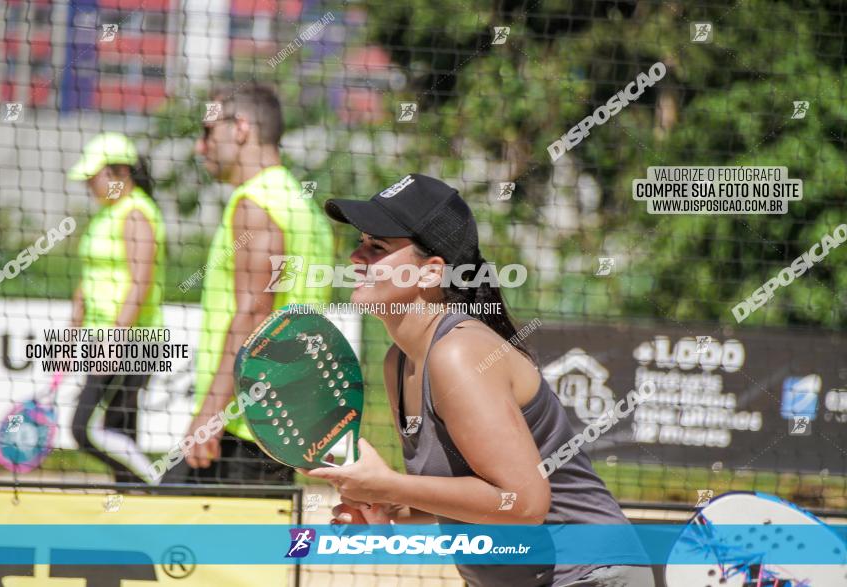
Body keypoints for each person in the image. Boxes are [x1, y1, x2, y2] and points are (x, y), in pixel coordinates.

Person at [306, 174, 653, 586]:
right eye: (361, 242)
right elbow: (471, 499)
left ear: (430, 273)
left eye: (376, 247)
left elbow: (524, 504)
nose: (355, 257)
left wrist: (393, 486)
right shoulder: (398, 362)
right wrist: (391, 507)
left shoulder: (460, 354)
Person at [163, 83, 334, 484]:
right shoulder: (301, 205)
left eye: (207, 132)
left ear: (240, 128)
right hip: (280, 419)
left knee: (165, 527)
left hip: (242, 424)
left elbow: (256, 311)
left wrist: (210, 416)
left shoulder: (255, 203)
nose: (198, 147)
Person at [68, 132, 165, 484]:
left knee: (83, 428)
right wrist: (78, 306)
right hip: (104, 334)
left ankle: (153, 483)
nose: (89, 186)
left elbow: (140, 280)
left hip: (131, 338)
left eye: (93, 177)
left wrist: (116, 335)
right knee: (118, 427)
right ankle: (133, 497)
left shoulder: (136, 213)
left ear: (120, 172)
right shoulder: (105, 214)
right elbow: (96, 268)